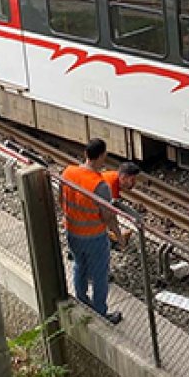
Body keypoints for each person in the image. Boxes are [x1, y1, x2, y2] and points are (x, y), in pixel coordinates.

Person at [61, 138, 125, 325]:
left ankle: (82, 299)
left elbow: (61, 200)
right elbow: (107, 217)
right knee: (99, 275)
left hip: (72, 232)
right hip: (94, 237)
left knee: (79, 266)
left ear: (85, 154)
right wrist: (119, 236)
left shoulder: (68, 172)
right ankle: (100, 313)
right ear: (102, 156)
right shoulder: (100, 186)